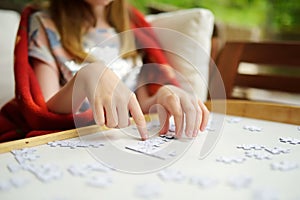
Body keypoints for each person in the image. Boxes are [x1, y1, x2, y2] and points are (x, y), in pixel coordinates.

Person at [0, 0, 209, 142]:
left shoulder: (131, 27)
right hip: (75, 141)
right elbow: (42, 112)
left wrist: (163, 95)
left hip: (122, 142)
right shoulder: (45, 24)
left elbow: (139, 105)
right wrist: (86, 76)